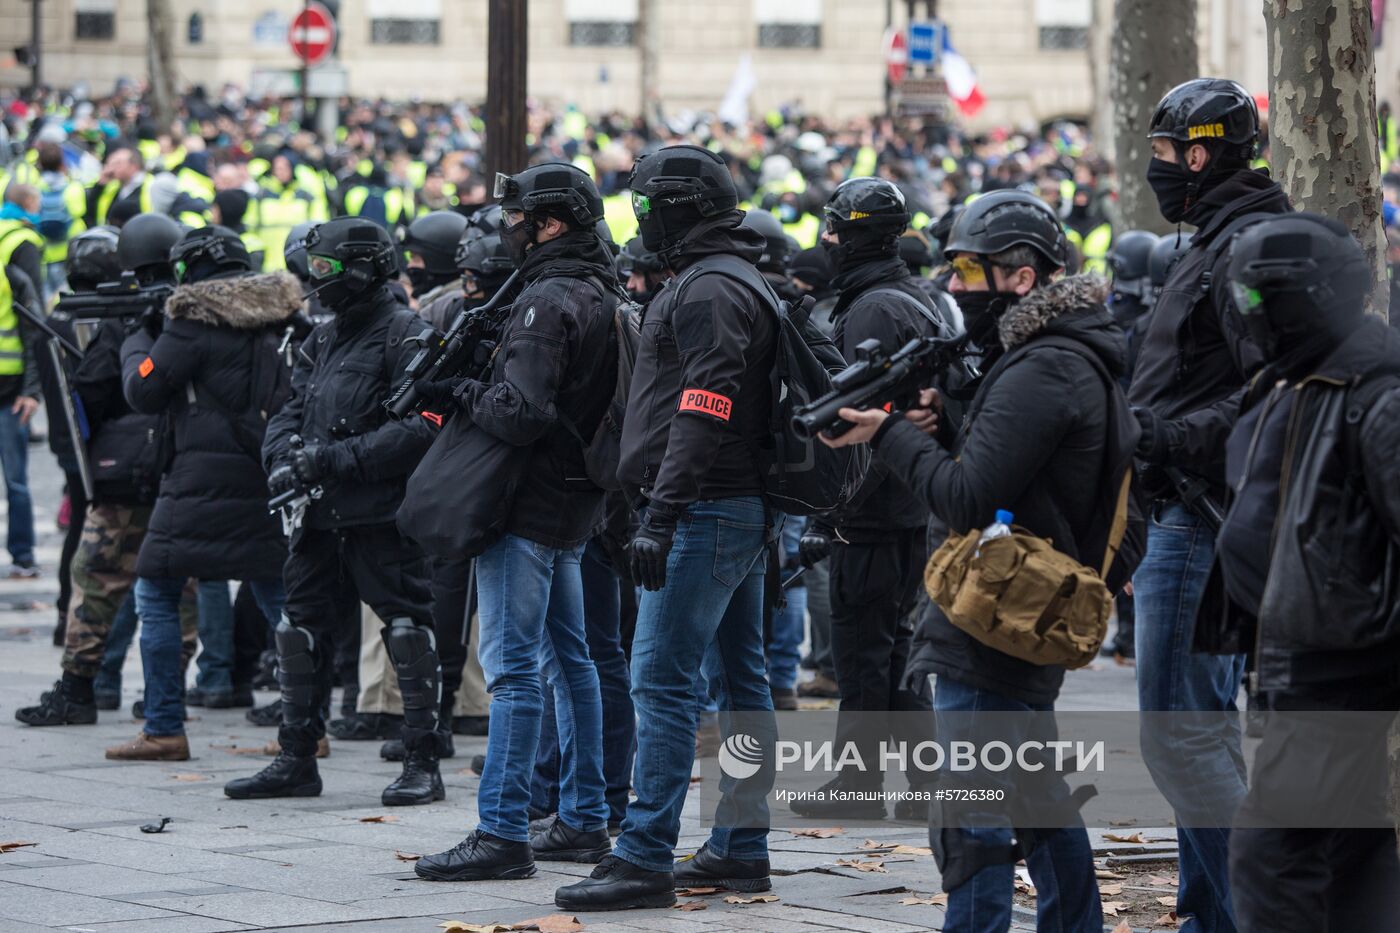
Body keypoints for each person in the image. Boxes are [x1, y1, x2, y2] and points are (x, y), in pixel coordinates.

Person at [822, 189, 1124, 932]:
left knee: (974, 816)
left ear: (1021, 277)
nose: (953, 285)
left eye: (967, 269)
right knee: (1036, 797)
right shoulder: (1059, 354)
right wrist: (945, 417)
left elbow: (965, 495)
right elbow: (1022, 469)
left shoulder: (1043, 368)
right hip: (1020, 605)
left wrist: (888, 433)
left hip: (996, 612)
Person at [555, 144, 778, 912]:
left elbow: (703, 408)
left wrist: (662, 511)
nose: (638, 215)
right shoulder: (730, 277)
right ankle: (742, 843)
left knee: (662, 680)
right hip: (731, 506)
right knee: (742, 678)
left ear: (678, 206)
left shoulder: (710, 289)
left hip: (705, 508)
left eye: (647, 203)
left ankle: (645, 850)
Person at [414, 163, 617, 881]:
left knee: (513, 672)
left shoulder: (547, 299)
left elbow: (521, 412)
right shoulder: (599, 287)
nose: (509, 231)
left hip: (526, 502)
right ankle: (585, 816)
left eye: (519, 218)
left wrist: (459, 385)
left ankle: (501, 830)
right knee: (572, 663)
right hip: (571, 501)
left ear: (552, 224)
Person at [1203, 213, 1400, 932]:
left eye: (1260, 300)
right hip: (1298, 662)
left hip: (1339, 670)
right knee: (1352, 853)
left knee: (1271, 851)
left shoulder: (1376, 394)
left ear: (1308, 298)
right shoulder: (1296, 379)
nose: (1248, 317)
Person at [1128, 78, 1292, 933]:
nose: (1155, 168)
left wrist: (1163, 437)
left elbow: (1275, 390)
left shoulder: (1247, 245)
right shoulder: (1216, 237)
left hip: (1202, 518)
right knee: (1204, 734)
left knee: (1180, 735)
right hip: (1190, 514)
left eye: (1163, 151)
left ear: (1200, 153)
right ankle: (1211, 913)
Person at [224, 217, 439, 804]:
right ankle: (297, 757)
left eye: (325, 268)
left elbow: (422, 427)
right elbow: (291, 410)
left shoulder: (406, 333)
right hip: (317, 517)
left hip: (378, 515)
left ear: (364, 268)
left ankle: (423, 761)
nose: (315, 279)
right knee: (299, 632)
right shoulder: (321, 337)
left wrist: (335, 459)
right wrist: (282, 459)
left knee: (406, 629)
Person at [790, 176, 948, 820]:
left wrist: (838, 511)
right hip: (910, 500)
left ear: (850, 234)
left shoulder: (873, 308)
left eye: (832, 228)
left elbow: (866, 421)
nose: (824, 239)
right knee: (895, 646)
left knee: (863, 645)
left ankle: (858, 788)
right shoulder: (909, 295)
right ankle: (921, 787)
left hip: (880, 508)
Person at [108, 226, 296, 760]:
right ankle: (306, 728)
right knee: (282, 602)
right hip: (266, 474)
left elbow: (144, 389)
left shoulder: (190, 323)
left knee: (156, 593)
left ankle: (164, 727)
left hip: (196, 482)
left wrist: (137, 342)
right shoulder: (282, 315)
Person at [0, 184, 45, 580]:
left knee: (15, 480)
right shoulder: (19, 241)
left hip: (9, 393)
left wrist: (32, 390)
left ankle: (23, 554)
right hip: (10, 389)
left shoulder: (15, 248)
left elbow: (32, 328)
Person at [401, 209, 468, 316]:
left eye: (415, 258)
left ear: (440, 261)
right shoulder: (433, 304)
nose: (410, 265)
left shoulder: (453, 310)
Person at [87, 147, 152, 228]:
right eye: (110, 163)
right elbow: (91, 211)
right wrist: (100, 185)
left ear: (134, 166)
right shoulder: (112, 186)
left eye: (117, 163)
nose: (111, 168)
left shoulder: (151, 185)